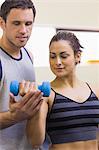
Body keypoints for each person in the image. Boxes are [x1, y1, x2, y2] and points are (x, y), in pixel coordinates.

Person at [26, 31, 99, 150]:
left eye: (63, 56)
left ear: (78, 56)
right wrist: (34, 107)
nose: (57, 62)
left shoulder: (95, 91)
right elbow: (35, 141)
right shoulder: (47, 95)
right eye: (52, 56)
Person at [0, 0, 44, 150]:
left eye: (28, 23)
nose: (24, 30)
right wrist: (14, 116)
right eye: (16, 23)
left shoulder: (28, 56)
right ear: (2, 23)